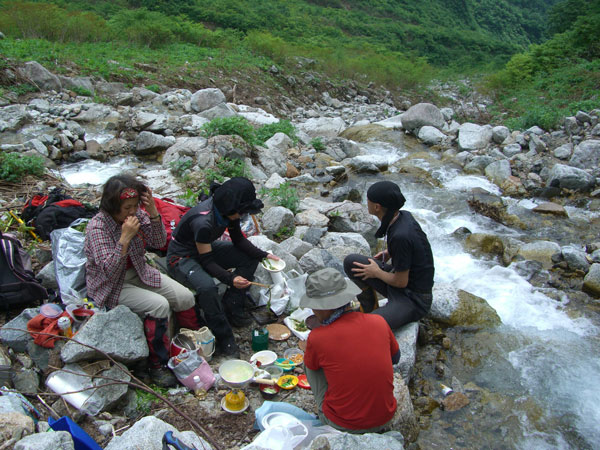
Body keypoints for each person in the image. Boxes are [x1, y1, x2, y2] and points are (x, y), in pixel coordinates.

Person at [85, 174, 200, 387]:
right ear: (112, 206)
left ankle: (190, 344)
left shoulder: (138, 214)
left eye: (135, 205)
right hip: (112, 284)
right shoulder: (98, 227)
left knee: (185, 297)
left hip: (140, 270)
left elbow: (159, 241)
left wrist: (153, 212)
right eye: (126, 207)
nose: (132, 211)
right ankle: (158, 365)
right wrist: (125, 238)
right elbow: (109, 271)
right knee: (159, 305)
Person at [166, 177, 280, 358]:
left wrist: (263, 255)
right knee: (207, 287)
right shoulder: (204, 222)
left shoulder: (228, 210)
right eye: (242, 212)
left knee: (249, 258)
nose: (243, 216)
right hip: (182, 257)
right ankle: (224, 337)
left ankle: (232, 306)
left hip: (204, 248)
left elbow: (239, 240)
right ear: (233, 209)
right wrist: (231, 279)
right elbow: (207, 262)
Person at [302, 268, 401, 433]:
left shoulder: (317, 337)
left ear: (325, 308)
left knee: (309, 363)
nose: (313, 310)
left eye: (315, 306)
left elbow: (313, 366)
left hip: (343, 424)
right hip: (385, 417)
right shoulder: (378, 321)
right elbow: (395, 357)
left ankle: (326, 413)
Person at [344, 180, 434, 330]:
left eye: (368, 200)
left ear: (377, 207)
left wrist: (376, 272)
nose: (366, 202)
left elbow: (401, 282)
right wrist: (390, 252)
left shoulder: (401, 235)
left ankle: (380, 314)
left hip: (413, 298)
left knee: (368, 326)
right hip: (398, 283)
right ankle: (369, 306)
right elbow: (414, 246)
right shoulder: (402, 216)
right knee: (351, 263)